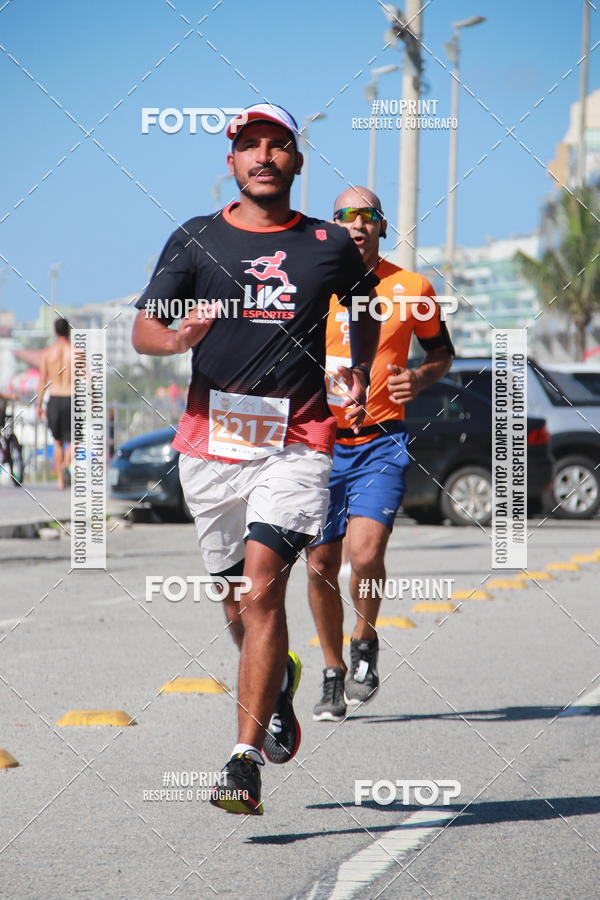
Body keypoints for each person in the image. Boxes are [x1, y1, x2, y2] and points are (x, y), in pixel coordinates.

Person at [131, 104, 381, 815]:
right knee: (236, 601)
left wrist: (354, 371)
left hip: (298, 439)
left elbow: (362, 311)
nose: (264, 156)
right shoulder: (195, 237)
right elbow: (145, 328)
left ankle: (242, 761)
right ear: (232, 162)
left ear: (297, 162)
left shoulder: (331, 244)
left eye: (278, 146)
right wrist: (177, 341)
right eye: (250, 146)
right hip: (212, 444)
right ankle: (276, 682)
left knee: (265, 585)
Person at [307, 186, 454, 722]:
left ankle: (364, 637)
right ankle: (331, 672)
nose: (356, 224)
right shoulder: (311, 285)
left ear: (382, 227)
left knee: (364, 554)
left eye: (367, 216)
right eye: (345, 215)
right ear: (333, 225)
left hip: (380, 441)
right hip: (318, 442)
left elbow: (442, 353)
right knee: (321, 562)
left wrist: (419, 376)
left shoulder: (412, 287)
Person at [37, 318, 72, 490]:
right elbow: (87, 377)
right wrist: (93, 398)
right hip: (70, 398)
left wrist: (39, 404)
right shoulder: (75, 352)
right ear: (69, 331)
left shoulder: (47, 353)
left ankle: (59, 480)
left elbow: (42, 380)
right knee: (73, 441)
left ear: (55, 331)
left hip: (55, 398)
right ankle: (66, 464)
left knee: (57, 442)